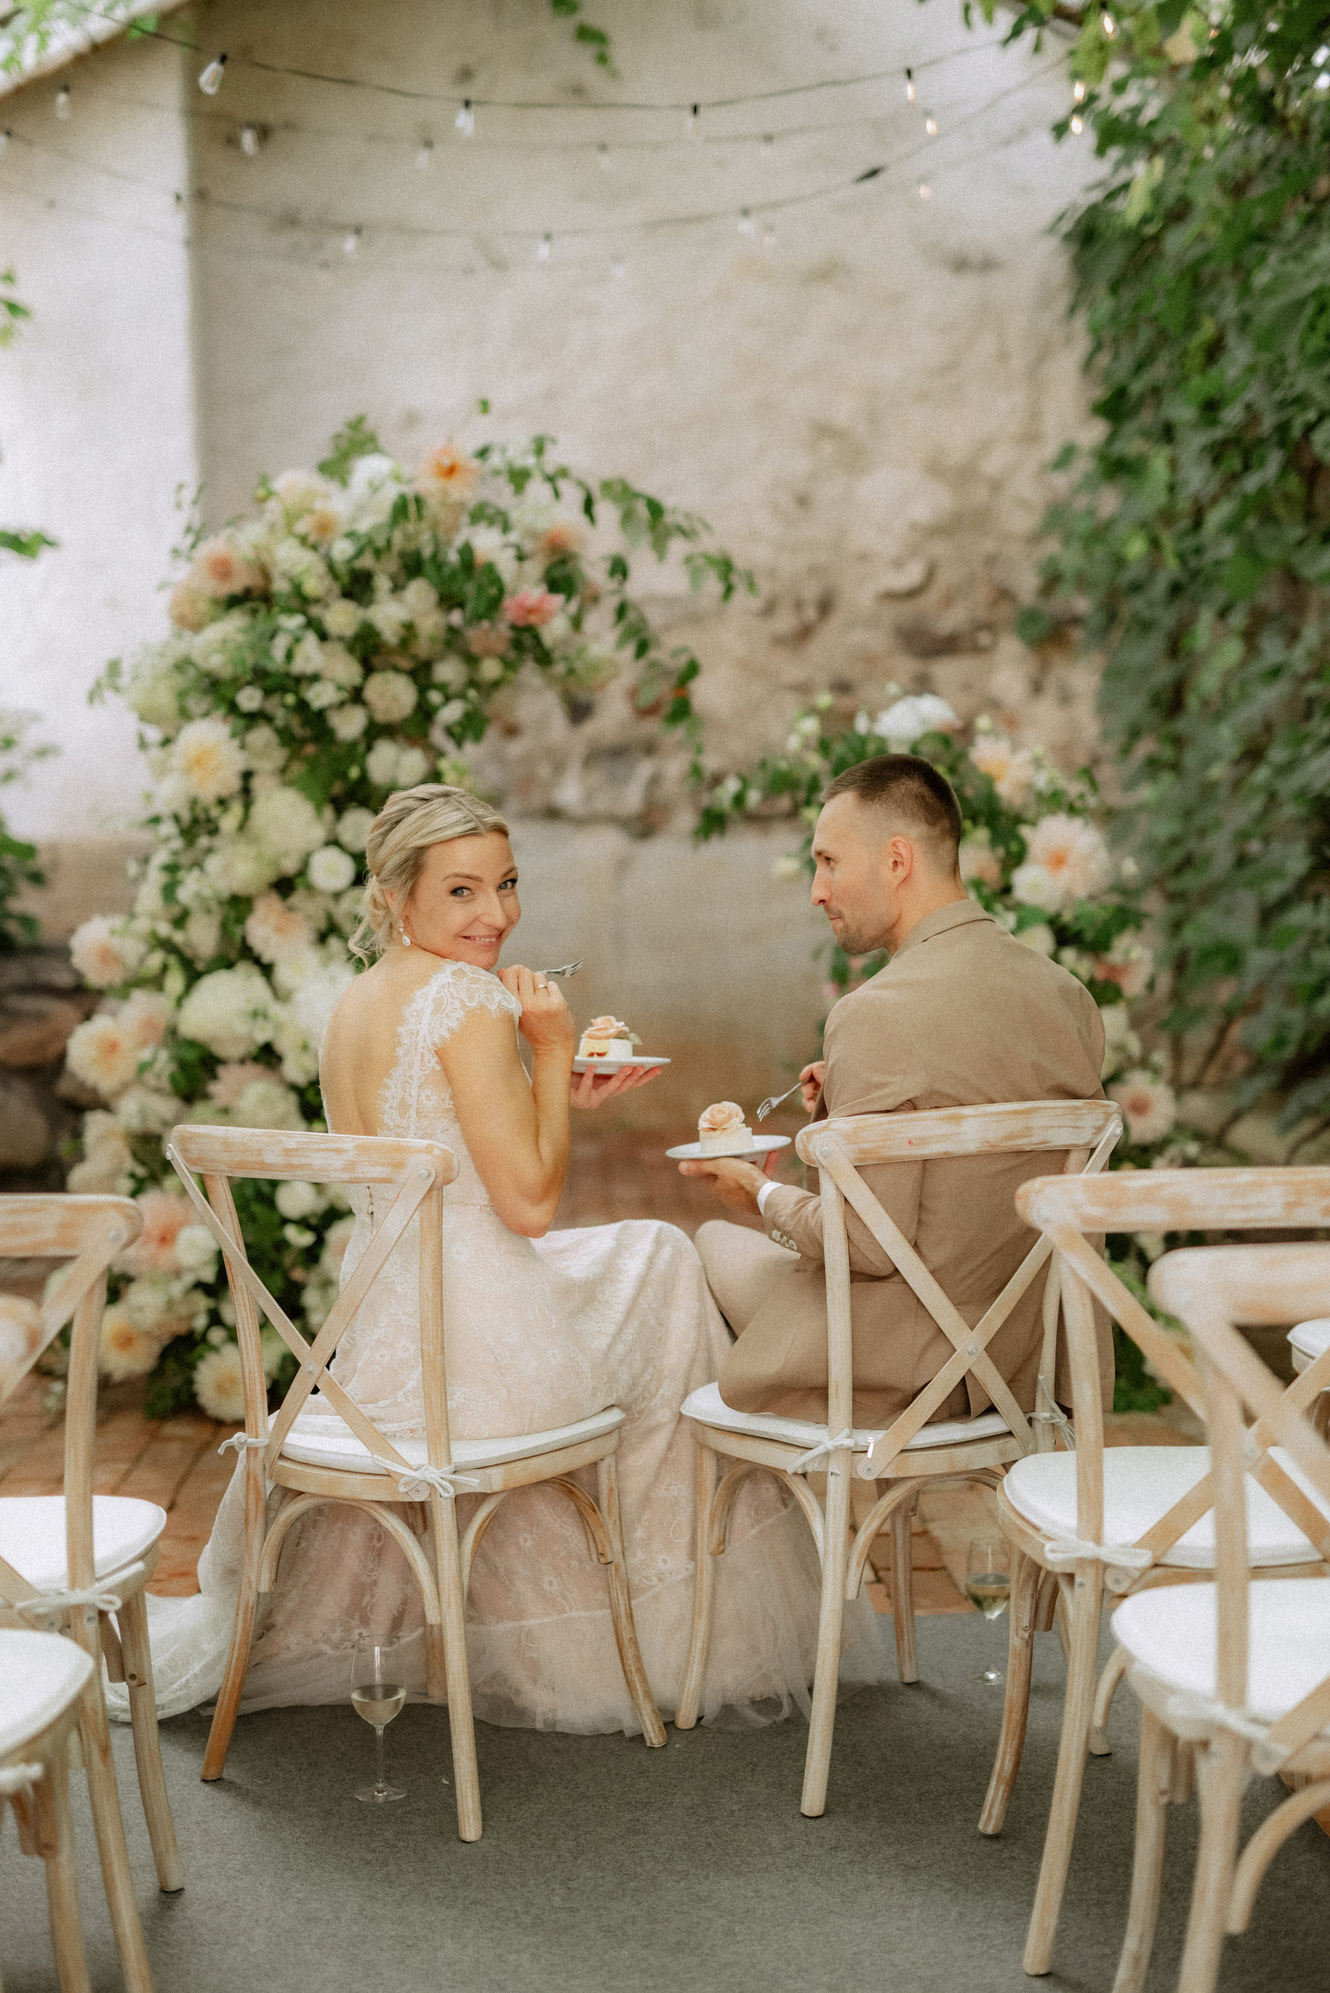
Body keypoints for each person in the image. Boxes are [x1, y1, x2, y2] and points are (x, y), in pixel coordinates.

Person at [130, 785, 883, 1735]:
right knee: (664, 1258)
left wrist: (548, 1093)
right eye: (461, 891)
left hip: (377, 1352)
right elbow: (528, 1206)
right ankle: (665, 1633)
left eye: (507, 883)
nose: (495, 913)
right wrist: (553, 1049)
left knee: (643, 1257)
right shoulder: (468, 998)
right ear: (396, 897)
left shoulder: (351, 1005)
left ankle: (597, 1618)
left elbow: (447, 1155)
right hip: (479, 1359)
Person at [681, 754, 1110, 1427]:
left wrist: (758, 1193)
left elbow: (864, 1243)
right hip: (1031, 1364)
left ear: (897, 860)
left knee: (702, 1246)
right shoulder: (1069, 997)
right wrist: (843, 1105)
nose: (816, 891)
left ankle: (774, 1488)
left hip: (905, 1378)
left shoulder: (874, 1013)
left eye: (829, 862)